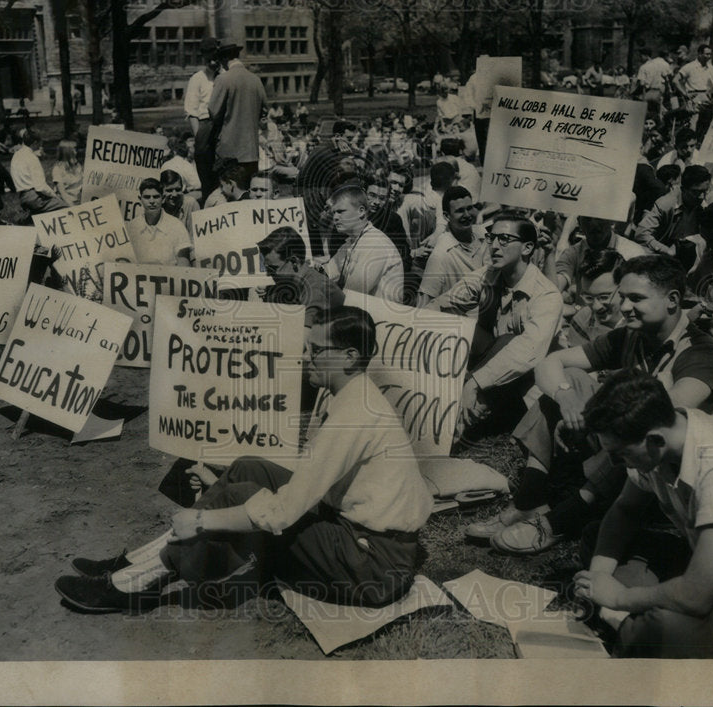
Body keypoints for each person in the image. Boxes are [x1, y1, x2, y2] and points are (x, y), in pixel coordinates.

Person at [54, 306, 434, 613]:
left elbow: (282, 512)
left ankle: (135, 584)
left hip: (373, 565)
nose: (306, 358)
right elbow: (309, 477)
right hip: (358, 535)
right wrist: (219, 488)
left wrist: (202, 518)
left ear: (350, 356)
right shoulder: (348, 392)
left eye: (317, 350)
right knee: (249, 466)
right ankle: (136, 562)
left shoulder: (354, 413)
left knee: (245, 496)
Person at [481, 255, 713, 555]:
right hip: (641, 466)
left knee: (641, 429)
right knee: (569, 379)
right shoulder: (632, 336)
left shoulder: (704, 353)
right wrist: (566, 398)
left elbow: (661, 415)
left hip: (687, 476)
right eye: (622, 297)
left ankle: (565, 517)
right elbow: (551, 361)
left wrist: (589, 419)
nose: (624, 308)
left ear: (673, 300)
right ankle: (528, 500)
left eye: (636, 298)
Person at [573, 369, 713, 659]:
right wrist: (598, 579)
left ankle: (630, 625)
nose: (615, 463)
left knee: (658, 630)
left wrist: (618, 597)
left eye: (620, 454)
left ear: (655, 441)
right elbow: (625, 510)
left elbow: (697, 597)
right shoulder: (672, 434)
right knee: (597, 538)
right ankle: (627, 620)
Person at [427, 212, 562, 438]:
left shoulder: (547, 295)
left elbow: (527, 353)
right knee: (450, 320)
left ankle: (451, 429)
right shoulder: (487, 275)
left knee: (510, 342)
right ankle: (427, 397)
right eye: (492, 238)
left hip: (527, 377)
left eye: (505, 240)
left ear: (527, 248)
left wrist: (473, 383)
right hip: (491, 360)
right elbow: (442, 304)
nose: (494, 246)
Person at [324, 185, 405, 303]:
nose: (335, 217)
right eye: (334, 212)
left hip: (382, 318)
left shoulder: (374, 243)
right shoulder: (351, 242)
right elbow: (327, 275)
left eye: (340, 211)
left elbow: (351, 296)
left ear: (361, 211)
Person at [208, 39, 267, 191]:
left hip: (229, 151)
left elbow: (213, 112)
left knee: (230, 192)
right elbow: (263, 112)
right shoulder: (256, 80)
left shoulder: (224, 79)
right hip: (251, 150)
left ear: (224, 59)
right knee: (248, 191)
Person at [257, 227, 345, 327]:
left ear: (294, 262)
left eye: (272, 268)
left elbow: (305, 335)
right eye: (266, 268)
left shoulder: (315, 286)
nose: (268, 274)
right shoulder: (295, 281)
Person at [416, 185, 487, 306]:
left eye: (469, 208)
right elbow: (423, 304)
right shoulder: (441, 254)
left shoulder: (484, 235)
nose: (467, 215)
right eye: (460, 211)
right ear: (446, 216)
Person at [555, 216, 646, 301]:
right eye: (587, 218)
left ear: (611, 220)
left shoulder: (633, 253)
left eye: (599, 218)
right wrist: (549, 253)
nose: (594, 224)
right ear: (579, 222)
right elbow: (554, 289)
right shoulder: (573, 253)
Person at [634, 164, 712, 258]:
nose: (701, 197)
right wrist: (667, 251)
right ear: (684, 189)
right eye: (696, 192)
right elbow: (641, 234)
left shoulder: (703, 207)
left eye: (705, 192)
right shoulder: (666, 204)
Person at [125, 178, 192, 266]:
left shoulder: (177, 226)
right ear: (140, 199)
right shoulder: (131, 227)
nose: (152, 201)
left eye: (156, 197)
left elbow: (184, 268)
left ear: (163, 198)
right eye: (147, 197)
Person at [185, 37, 222, 199]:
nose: (213, 62)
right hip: (205, 125)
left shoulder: (226, 76)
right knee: (206, 170)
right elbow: (191, 111)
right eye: (209, 58)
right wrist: (199, 137)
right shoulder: (197, 78)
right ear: (204, 58)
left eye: (216, 57)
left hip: (224, 125)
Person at [10, 129, 67, 215]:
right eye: (40, 142)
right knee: (67, 208)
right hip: (34, 198)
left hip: (22, 197)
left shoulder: (16, 155)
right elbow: (41, 187)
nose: (41, 145)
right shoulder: (32, 158)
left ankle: (32, 216)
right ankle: (29, 218)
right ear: (35, 143)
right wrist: (55, 196)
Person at [160, 169, 199, 240]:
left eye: (178, 190)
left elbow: (196, 238)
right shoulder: (157, 207)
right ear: (162, 191)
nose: (174, 194)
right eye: (169, 190)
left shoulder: (190, 204)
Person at [50, 139, 83, 206]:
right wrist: (74, 208)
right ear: (68, 152)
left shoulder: (77, 166)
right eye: (74, 149)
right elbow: (62, 193)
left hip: (78, 200)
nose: (77, 151)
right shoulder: (58, 169)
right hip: (65, 203)